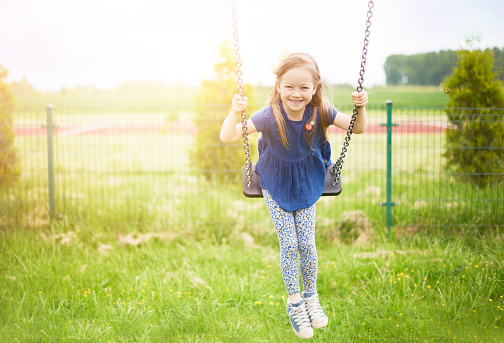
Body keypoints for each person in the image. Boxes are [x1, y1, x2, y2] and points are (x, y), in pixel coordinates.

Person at [220, 52, 368, 339]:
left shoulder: (321, 111)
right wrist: (233, 110)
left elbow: (357, 128)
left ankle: (311, 296)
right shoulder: (269, 115)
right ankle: (295, 302)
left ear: (315, 88)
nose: (296, 93)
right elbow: (229, 136)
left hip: (308, 181)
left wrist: (361, 108)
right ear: (278, 87)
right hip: (274, 183)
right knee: (289, 246)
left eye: (304, 87)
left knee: (308, 245)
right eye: (289, 86)